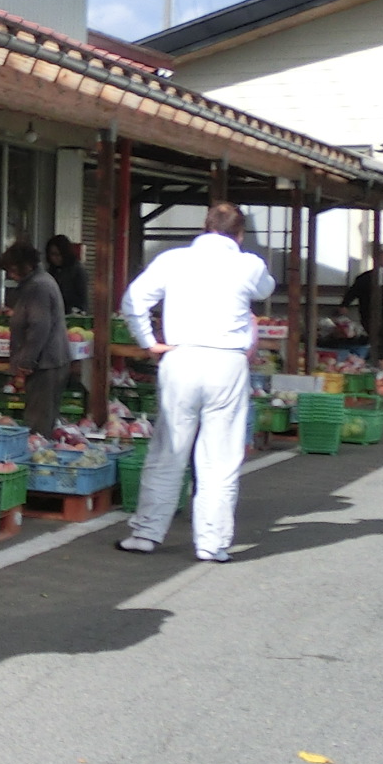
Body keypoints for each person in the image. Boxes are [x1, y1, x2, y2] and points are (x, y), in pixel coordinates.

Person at [117, 201, 274, 564]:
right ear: (240, 233)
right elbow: (265, 290)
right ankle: (211, 542)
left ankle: (145, 533)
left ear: (205, 227)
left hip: (180, 357)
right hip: (227, 363)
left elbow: (133, 300)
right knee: (219, 458)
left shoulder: (172, 260)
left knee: (168, 450)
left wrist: (149, 341)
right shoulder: (248, 264)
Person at [3, 241, 73, 436]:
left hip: (45, 363)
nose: (10, 275)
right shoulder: (41, 281)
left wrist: (26, 361)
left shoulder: (38, 286)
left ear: (25, 265)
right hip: (50, 361)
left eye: (12, 269)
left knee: (38, 422)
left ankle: (38, 458)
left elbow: (39, 326)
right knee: (44, 417)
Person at [339, 244, 383, 344]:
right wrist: (344, 305)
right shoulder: (364, 278)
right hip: (367, 312)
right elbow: (353, 291)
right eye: (382, 260)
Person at [44, 234, 90, 315]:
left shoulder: (77, 270)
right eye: (52, 255)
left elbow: (83, 299)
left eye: (58, 255)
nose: (55, 258)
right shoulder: (51, 271)